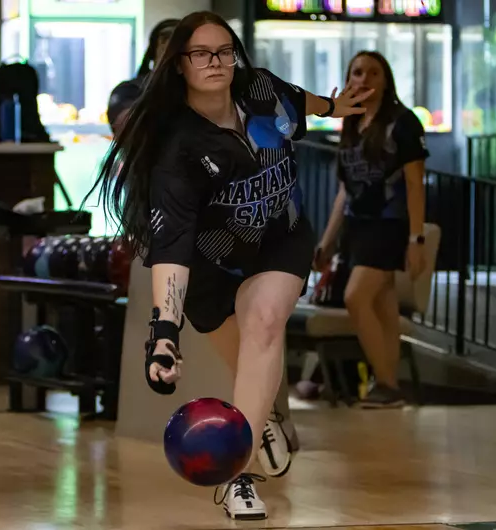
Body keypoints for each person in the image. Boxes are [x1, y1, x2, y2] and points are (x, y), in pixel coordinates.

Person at [90, 12, 370, 520]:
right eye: (201, 54)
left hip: (279, 239)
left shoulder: (260, 89)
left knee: (264, 324)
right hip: (209, 262)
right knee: (245, 357)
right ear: (179, 65)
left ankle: (240, 477)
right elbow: (171, 245)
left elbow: (297, 99)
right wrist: (164, 332)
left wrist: (333, 106)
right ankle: (261, 418)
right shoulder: (179, 148)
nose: (216, 62)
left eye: (224, 51)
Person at [313, 51, 429, 408]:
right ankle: (390, 386)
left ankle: (387, 385)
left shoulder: (402, 122)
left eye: (373, 73)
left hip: (390, 224)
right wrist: (327, 241)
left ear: (386, 80)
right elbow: (344, 191)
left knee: (355, 297)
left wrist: (416, 238)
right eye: (357, 72)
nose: (364, 79)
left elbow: (414, 184)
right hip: (359, 227)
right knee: (382, 304)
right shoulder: (349, 122)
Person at [106, 18, 178, 136]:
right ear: (154, 51)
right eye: (166, 41)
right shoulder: (128, 91)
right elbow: (128, 129)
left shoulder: (199, 92)